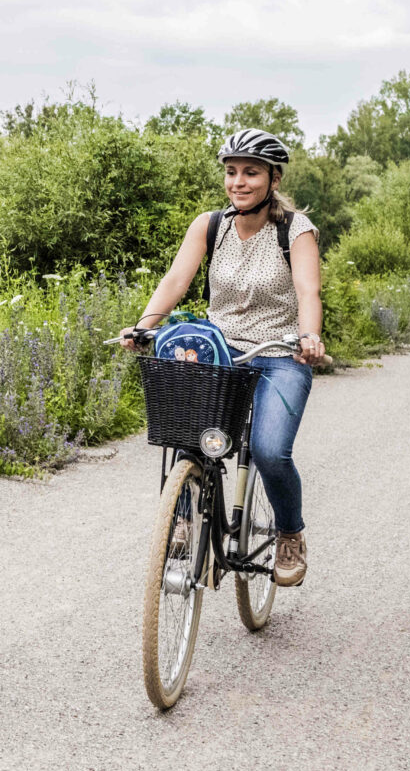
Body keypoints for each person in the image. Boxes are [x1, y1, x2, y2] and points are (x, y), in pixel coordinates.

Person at [121, 129, 325, 588]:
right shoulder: (210, 225)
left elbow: (307, 291)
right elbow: (176, 280)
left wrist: (309, 335)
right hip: (219, 350)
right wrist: (145, 326)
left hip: (278, 353)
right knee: (189, 435)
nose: (239, 181)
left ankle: (290, 534)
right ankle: (187, 516)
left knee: (272, 452)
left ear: (273, 179)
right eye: (232, 172)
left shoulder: (295, 230)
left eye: (251, 172)